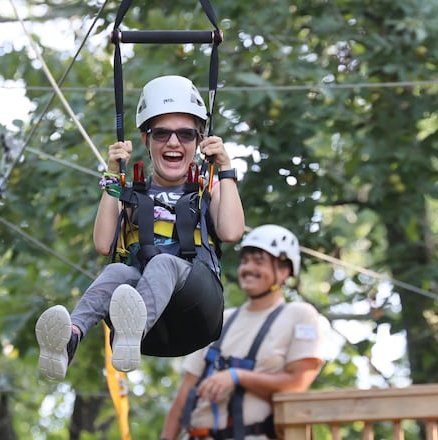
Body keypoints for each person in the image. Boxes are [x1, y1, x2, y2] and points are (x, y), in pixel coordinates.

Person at [35, 74, 245, 378]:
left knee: (163, 263)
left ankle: (129, 335)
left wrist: (224, 168)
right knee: (117, 271)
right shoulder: (134, 195)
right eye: (161, 134)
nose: (173, 142)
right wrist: (113, 175)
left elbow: (231, 231)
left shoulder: (206, 190)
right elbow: (105, 245)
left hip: (198, 303)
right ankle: (71, 336)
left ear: (199, 143)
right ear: (146, 140)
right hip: (151, 313)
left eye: (186, 135)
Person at [162, 224, 327, 440]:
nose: (248, 268)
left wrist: (237, 376)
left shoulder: (300, 316)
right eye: (245, 261)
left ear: (284, 270)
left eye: (259, 262)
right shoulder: (220, 319)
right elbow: (184, 396)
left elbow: (296, 384)